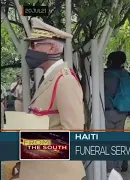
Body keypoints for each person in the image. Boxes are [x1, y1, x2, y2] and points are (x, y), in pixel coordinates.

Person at [20, 18, 86, 180]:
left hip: (56, 174)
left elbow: (73, 135)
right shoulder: (51, 79)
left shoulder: (65, 81)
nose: (30, 50)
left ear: (51, 47)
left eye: (35, 44)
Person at [104, 51, 130, 173]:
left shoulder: (105, 75)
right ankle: (119, 167)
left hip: (108, 112)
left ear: (110, 61)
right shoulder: (126, 74)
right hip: (123, 111)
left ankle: (111, 169)